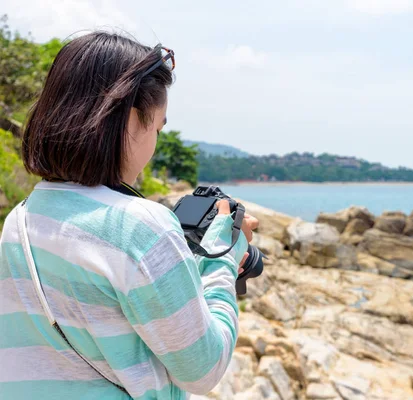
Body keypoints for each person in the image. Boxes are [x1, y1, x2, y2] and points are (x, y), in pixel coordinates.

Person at [0, 32, 258, 399]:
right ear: (134, 119)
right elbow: (204, 370)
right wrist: (224, 256)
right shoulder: (139, 227)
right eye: (157, 126)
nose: (154, 142)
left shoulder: (20, 219)